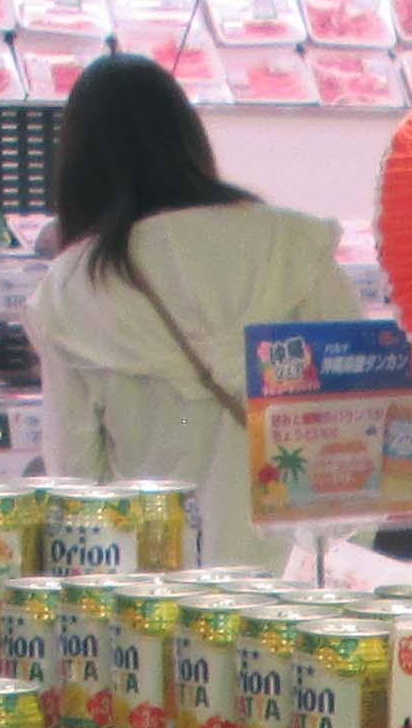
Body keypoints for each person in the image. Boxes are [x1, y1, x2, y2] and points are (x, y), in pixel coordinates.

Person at [27, 54, 359, 569]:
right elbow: (363, 421)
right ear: (189, 137)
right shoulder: (293, 247)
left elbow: (77, 481)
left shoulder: (73, 290)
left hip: (157, 590)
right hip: (300, 583)